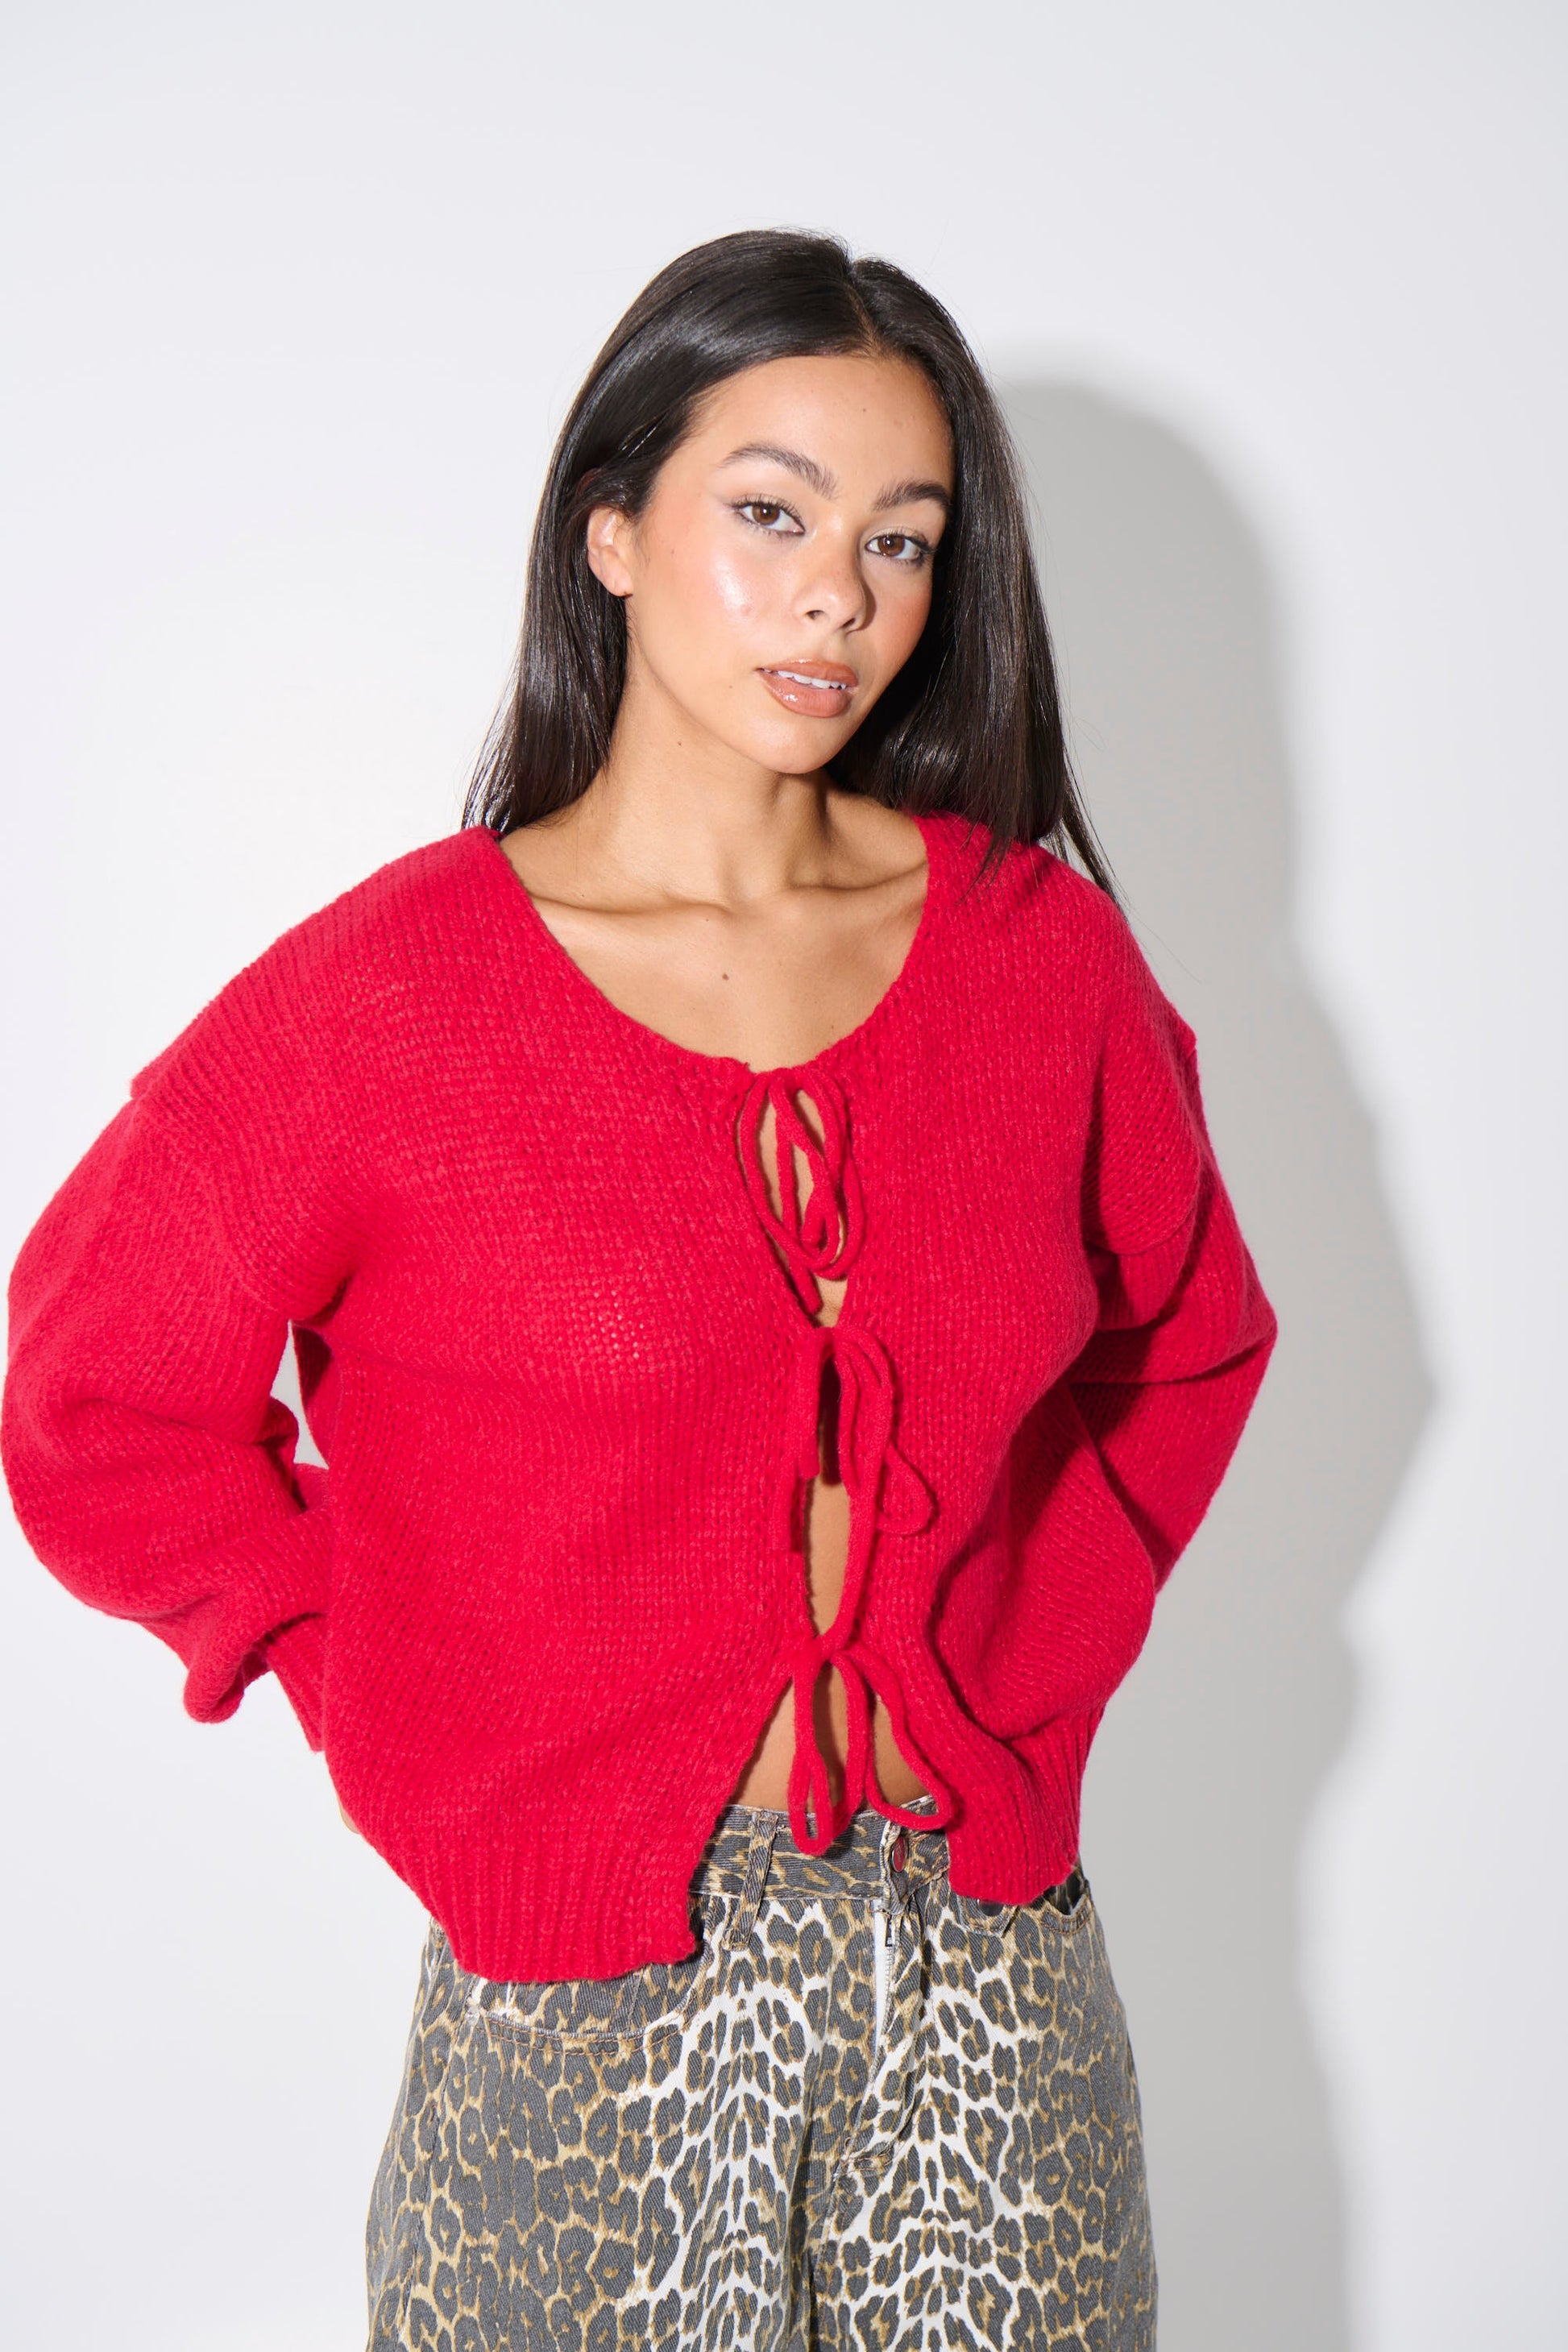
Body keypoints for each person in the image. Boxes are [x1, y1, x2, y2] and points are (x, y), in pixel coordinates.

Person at [1, 227, 1276, 2350]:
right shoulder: (390, 1000)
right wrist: (375, 1671)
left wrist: (1033, 1659)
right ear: (609, 530)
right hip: (577, 2011)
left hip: (991, 1977)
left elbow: (1189, 1341)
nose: (836, 596)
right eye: (769, 513)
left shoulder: (1036, 963)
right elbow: (93, 1397)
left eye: (898, 539)